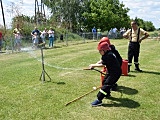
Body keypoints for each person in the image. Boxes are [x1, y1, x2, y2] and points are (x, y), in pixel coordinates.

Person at [89, 42, 122, 107]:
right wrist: (94, 65)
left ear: (104, 50)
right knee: (104, 82)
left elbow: (103, 64)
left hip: (115, 73)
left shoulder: (109, 55)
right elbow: (102, 60)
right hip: (111, 71)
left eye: (100, 51)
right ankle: (107, 94)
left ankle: (99, 100)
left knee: (106, 85)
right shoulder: (107, 53)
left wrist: (93, 65)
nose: (99, 52)